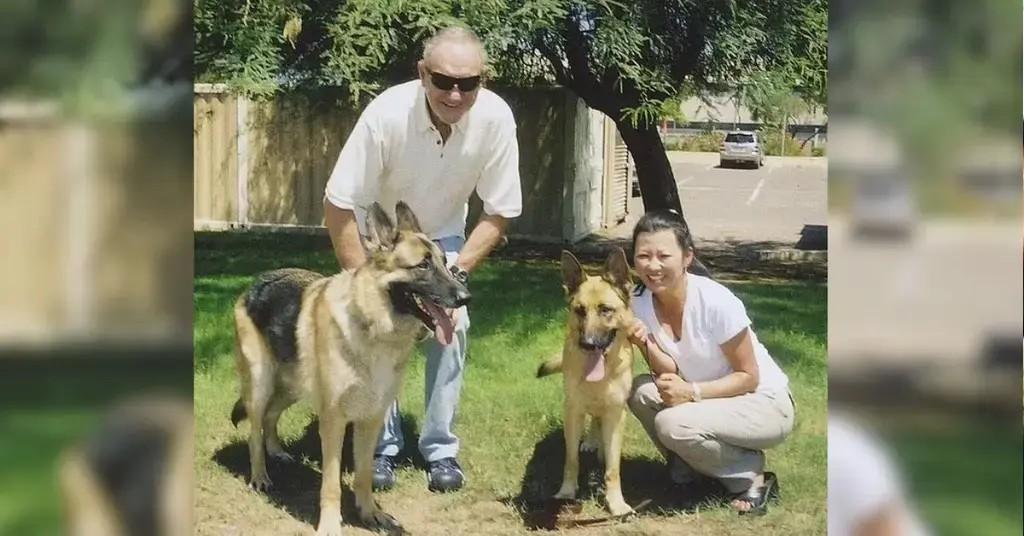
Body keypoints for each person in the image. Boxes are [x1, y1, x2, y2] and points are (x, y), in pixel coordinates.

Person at [322, 26, 522, 493]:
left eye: (468, 83)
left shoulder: (495, 119)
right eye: (443, 80)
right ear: (422, 73)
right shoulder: (386, 114)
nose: (455, 93)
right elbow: (338, 203)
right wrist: (361, 282)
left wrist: (454, 273)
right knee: (377, 329)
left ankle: (440, 448)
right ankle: (382, 448)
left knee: (455, 326)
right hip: (385, 242)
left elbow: (501, 210)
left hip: (444, 238)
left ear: (483, 80)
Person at [625, 210, 795, 515]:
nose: (652, 266)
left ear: (688, 257)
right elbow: (669, 369)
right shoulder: (639, 300)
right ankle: (688, 474)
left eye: (664, 255)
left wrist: (690, 393)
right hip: (712, 399)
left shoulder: (716, 301)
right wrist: (643, 342)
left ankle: (751, 477)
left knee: (671, 422)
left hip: (765, 403)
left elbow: (749, 376)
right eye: (643, 256)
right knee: (640, 391)